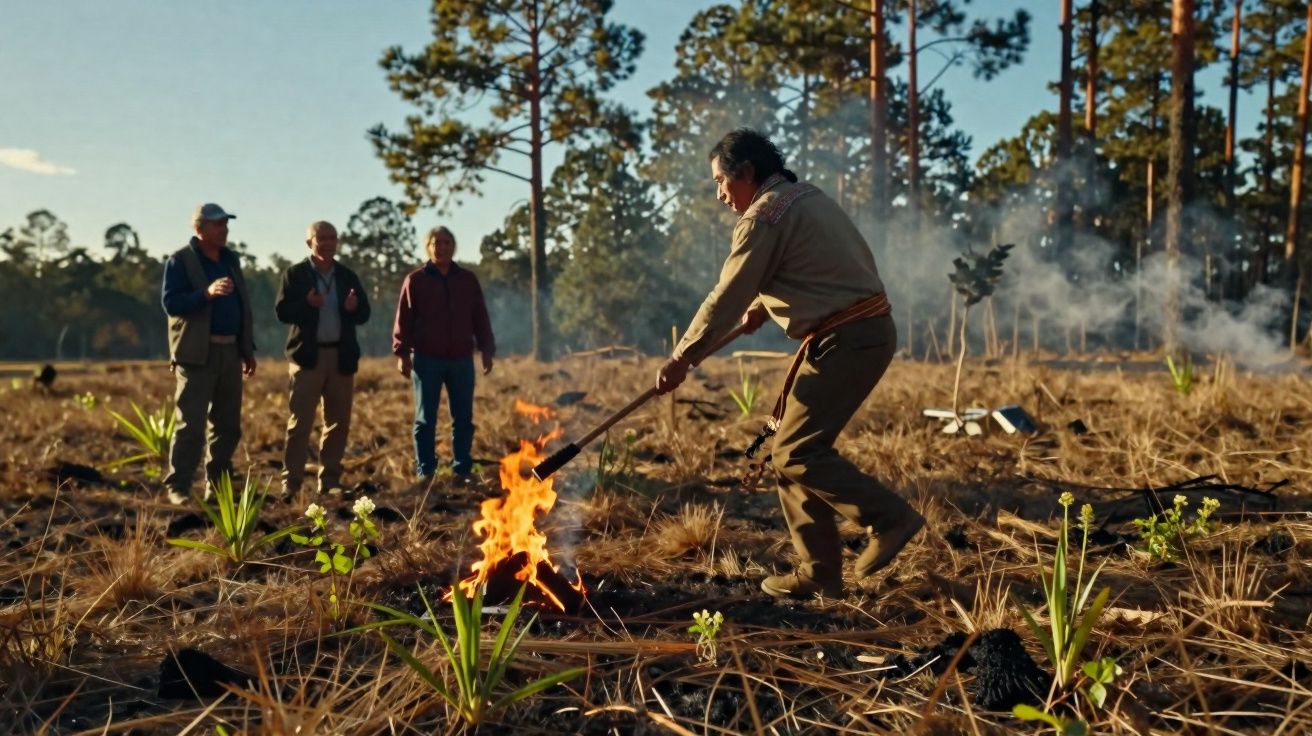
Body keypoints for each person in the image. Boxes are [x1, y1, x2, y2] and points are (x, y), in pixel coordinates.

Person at [655, 129, 925, 599]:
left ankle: (889, 519)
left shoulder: (763, 217)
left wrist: (683, 356)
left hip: (848, 338)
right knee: (788, 451)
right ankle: (818, 572)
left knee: (798, 452)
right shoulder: (805, 197)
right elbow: (816, 264)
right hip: (859, 331)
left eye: (720, 181)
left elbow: (726, 295)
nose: (720, 195)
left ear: (746, 172)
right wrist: (765, 304)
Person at [160, 203, 257, 505]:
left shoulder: (230, 260)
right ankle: (179, 486)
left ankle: (217, 487)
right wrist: (206, 293)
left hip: (230, 351)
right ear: (199, 228)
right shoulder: (180, 261)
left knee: (227, 426)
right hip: (196, 354)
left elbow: (242, 305)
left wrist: (246, 348)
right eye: (218, 224)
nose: (224, 230)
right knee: (191, 425)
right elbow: (171, 304)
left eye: (226, 224)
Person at [274, 221, 371, 496]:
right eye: (321, 238)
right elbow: (282, 312)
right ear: (309, 243)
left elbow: (364, 314)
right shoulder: (295, 275)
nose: (328, 243)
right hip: (307, 358)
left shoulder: (347, 276)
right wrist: (307, 304)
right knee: (300, 423)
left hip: (340, 358)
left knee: (338, 423)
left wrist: (353, 308)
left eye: (332, 238)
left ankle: (329, 482)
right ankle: (291, 483)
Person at [392, 226, 495, 481]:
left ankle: (462, 469)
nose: (442, 247)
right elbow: (404, 318)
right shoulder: (415, 280)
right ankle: (426, 472)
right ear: (428, 247)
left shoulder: (467, 280)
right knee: (425, 419)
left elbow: (479, 316)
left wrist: (487, 349)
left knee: (463, 418)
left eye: (447, 242)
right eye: (437, 243)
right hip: (427, 360)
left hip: (461, 359)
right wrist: (402, 353)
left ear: (454, 246)